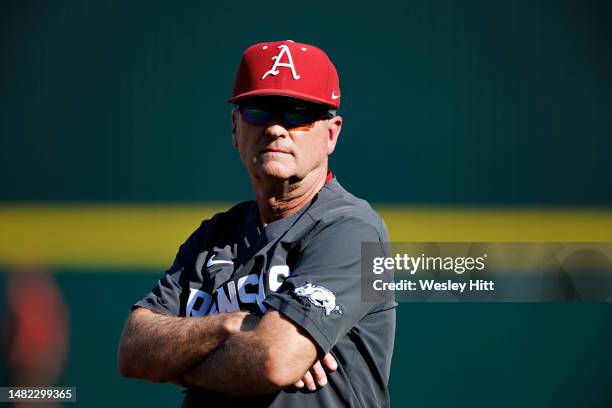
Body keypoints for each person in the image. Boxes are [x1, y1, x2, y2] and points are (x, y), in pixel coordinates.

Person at [117, 39, 396, 407]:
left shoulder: (352, 231)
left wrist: (177, 364)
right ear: (235, 127)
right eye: (260, 111)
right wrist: (232, 324)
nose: (277, 129)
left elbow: (272, 361)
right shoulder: (214, 237)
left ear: (331, 133)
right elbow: (133, 349)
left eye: (298, 113)